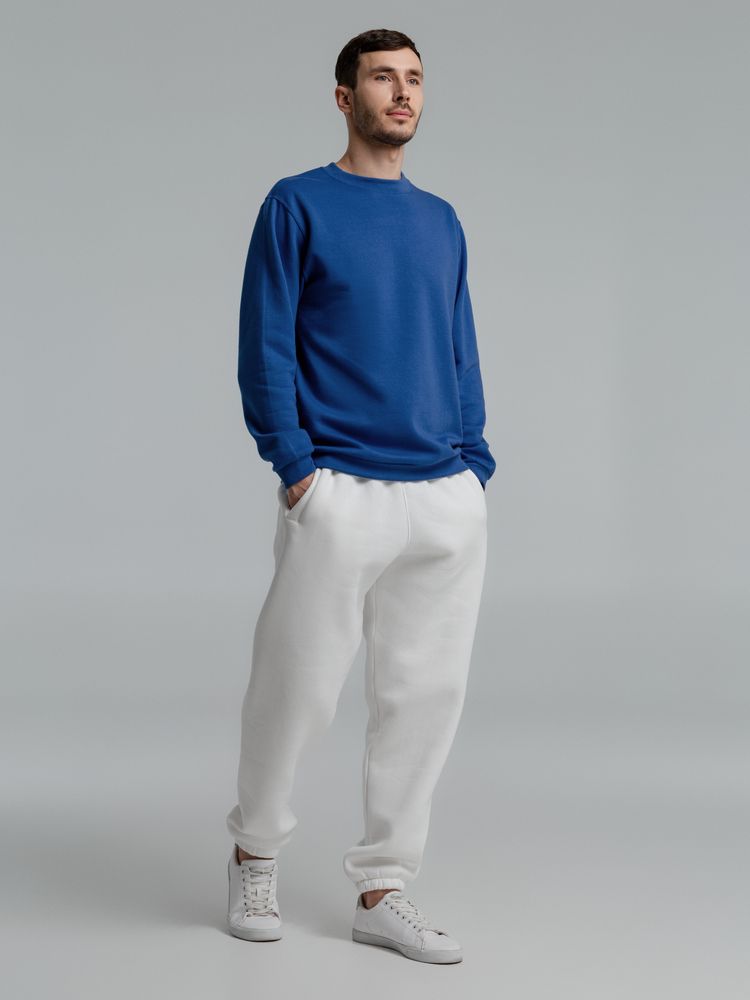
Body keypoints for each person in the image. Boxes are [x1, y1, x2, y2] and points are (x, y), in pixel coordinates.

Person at [225, 27, 495, 965]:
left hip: (443, 494)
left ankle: (384, 889)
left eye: (414, 78)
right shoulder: (297, 204)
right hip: (338, 487)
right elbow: (265, 343)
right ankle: (255, 852)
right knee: (295, 688)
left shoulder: (441, 219)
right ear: (345, 97)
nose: (403, 92)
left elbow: (458, 345)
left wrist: (473, 461)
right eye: (383, 77)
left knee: (424, 698)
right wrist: (296, 467)